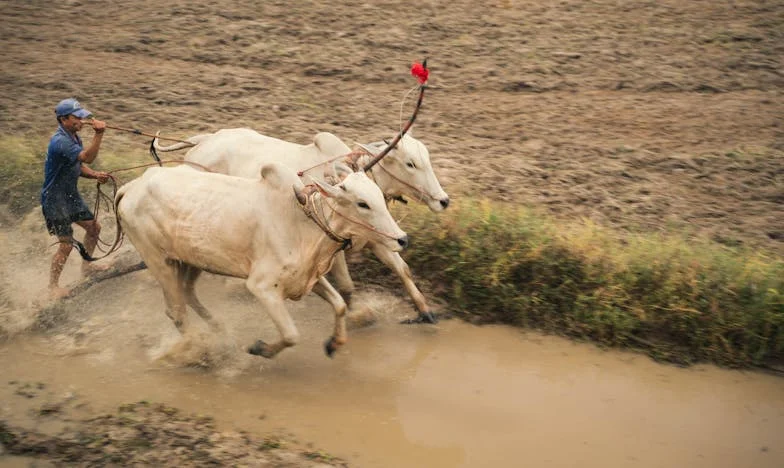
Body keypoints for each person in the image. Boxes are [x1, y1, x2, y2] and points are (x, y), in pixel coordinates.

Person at [42, 98, 111, 300]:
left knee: (94, 228)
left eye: (83, 116)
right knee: (66, 245)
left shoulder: (73, 136)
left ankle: (87, 267)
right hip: (54, 200)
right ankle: (53, 287)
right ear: (63, 119)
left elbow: (79, 166)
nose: (82, 120)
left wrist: (95, 175)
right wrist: (99, 134)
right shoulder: (60, 141)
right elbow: (87, 158)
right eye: (77, 117)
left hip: (69, 195)